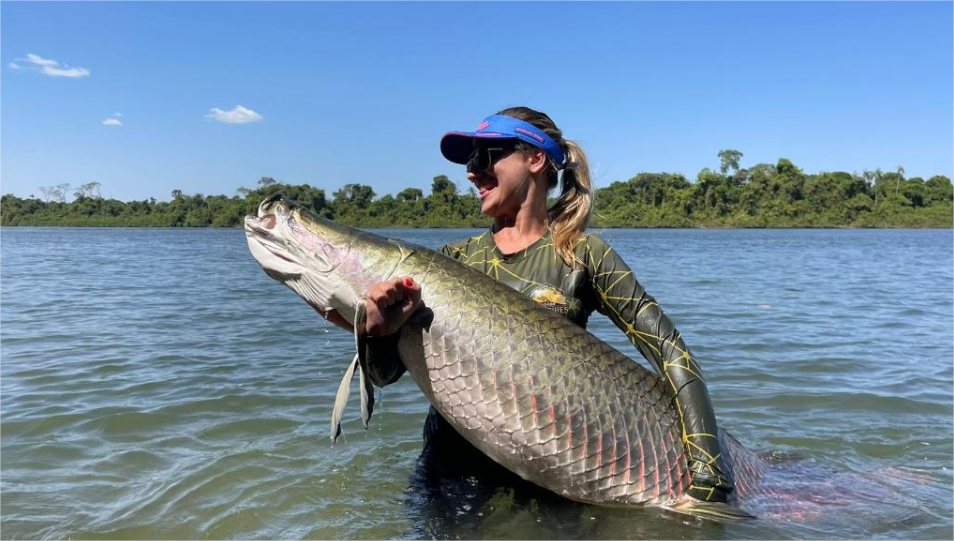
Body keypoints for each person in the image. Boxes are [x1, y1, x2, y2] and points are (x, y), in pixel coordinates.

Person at [327, 106, 734, 504]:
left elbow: (670, 350)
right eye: (468, 160)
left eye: (485, 155)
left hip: (550, 484)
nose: (472, 171)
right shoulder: (450, 261)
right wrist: (374, 331)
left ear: (536, 158)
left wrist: (708, 469)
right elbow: (385, 375)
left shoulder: (583, 255)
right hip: (449, 479)